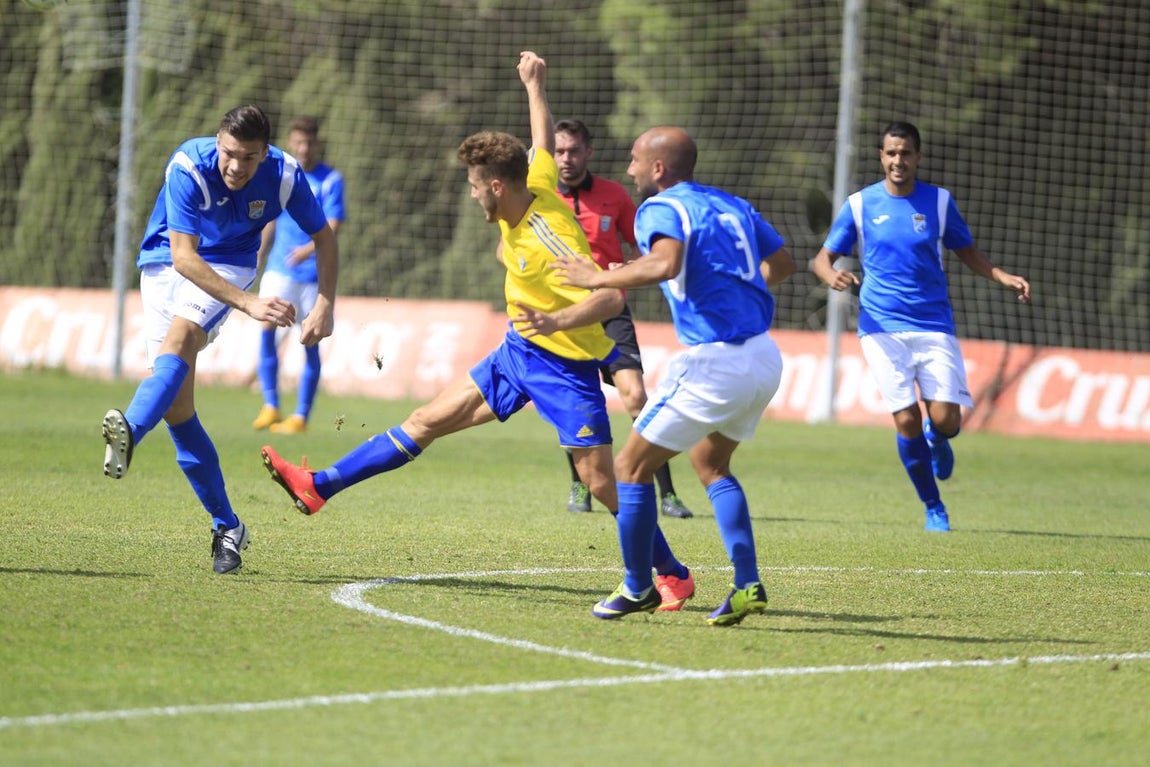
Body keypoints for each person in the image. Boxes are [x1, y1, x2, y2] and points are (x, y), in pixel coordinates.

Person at [260, 52, 697, 614]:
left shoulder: (549, 240)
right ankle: (319, 486)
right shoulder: (530, 179)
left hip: (565, 364)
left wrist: (556, 321)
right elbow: (539, 143)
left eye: (473, 186)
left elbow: (611, 296)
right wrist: (535, 84)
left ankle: (672, 574)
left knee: (603, 483)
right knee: (424, 421)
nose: (470, 196)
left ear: (495, 186)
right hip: (519, 352)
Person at [554, 125, 796, 625]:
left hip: (716, 361)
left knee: (629, 467)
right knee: (711, 464)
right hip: (764, 357)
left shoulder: (661, 209)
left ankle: (639, 585)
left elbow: (665, 264)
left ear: (659, 169)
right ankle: (748, 585)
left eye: (636, 161)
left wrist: (596, 275)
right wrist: (738, 290)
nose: (630, 169)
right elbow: (783, 263)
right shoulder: (731, 205)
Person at [101, 104, 338, 575]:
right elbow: (185, 258)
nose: (235, 166)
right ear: (216, 142)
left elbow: (324, 236)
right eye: (229, 153)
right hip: (168, 264)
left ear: (264, 153)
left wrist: (326, 303)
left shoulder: (284, 173)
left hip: (231, 263)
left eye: (248, 158)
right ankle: (228, 525)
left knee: (183, 339)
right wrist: (249, 304)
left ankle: (130, 428)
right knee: (179, 409)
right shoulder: (187, 166)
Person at [810, 121, 1030, 532]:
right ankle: (933, 506)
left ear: (918, 157)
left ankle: (939, 436)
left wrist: (1002, 276)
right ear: (881, 156)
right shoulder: (860, 205)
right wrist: (831, 276)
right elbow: (821, 258)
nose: (898, 161)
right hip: (880, 326)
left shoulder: (939, 202)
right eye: (891, 153)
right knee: (905, 419)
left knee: (947, 419)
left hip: (933, 324)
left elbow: (967, 251)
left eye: (906, 153)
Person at [552, 118, 693, 519]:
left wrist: (627, 267)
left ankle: (666, 492)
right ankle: (580, 485)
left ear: (588, 152)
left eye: (574, 150)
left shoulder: (615, 196)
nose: (566, 158)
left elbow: (648, 249)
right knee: (574, 403)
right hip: (565, 314)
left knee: (635, 396)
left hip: (611, 307)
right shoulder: (541, 199)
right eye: (559, 151)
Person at [252, 116, 347, 434]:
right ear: (291, 143)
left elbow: (333, 224)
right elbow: (270, 221)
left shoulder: (330, 179)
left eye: (309, 142)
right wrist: (258, 254)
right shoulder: (284, 176)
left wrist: (308, 249)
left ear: (316, 144)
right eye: (298, 142)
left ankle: (301, 416)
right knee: (265, 329)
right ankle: (270, 406)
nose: (304, 148)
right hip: (280, 268)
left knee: (310, 339)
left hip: (312, 275)